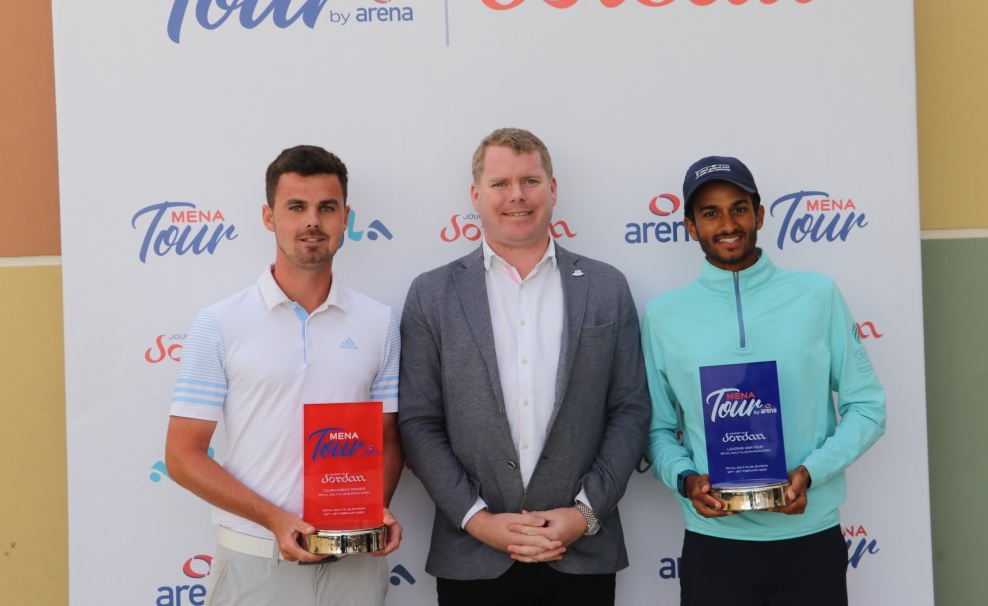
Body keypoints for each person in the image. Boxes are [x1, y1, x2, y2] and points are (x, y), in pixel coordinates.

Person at [398, 127, 650, 605]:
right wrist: (478, 520)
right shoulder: (432, 295)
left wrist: (585, 514)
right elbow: (418, 421)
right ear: (476, 195)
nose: (516, 196)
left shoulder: (606, 286)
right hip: (473, 558)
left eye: (530, 181)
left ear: (553, 189)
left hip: (580, 553)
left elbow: (630, 409)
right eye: (500, 184)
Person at [164, 145, 402, 606]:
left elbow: (387, 438)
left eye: (326, 208)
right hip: (255, 562)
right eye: (296, 207)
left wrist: (370, 510)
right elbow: (181, 454)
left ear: (345, 217)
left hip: (354, 562)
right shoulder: (220, 322)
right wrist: (275, 519)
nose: (312, 221)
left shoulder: (380, 322)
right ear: (269, 217)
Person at [643, 155, 886, 605]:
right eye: (709, 213)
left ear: (759, 214)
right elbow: (656, 430)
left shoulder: (817, 294)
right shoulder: (663, 316)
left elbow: (867, 407)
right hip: (715, 547)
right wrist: (686, 480)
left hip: (811, 540)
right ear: (690, 226)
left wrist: (810, 473)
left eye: (739, 208)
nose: (727, 224)